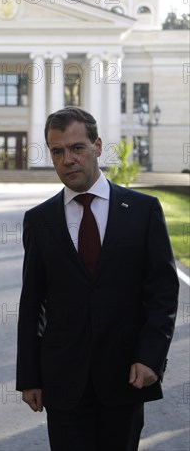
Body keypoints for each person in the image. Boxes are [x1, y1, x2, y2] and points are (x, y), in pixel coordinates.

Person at [16, 106, 179, 451]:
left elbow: (163, 292)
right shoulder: (39, 220)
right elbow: (32, 304)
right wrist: (29, 376)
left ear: (98, 146)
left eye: (77, 148)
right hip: (63, 381)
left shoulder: (142, 210)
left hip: (125, 376)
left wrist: (151, 356)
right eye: (57, 152)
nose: (67, 159)